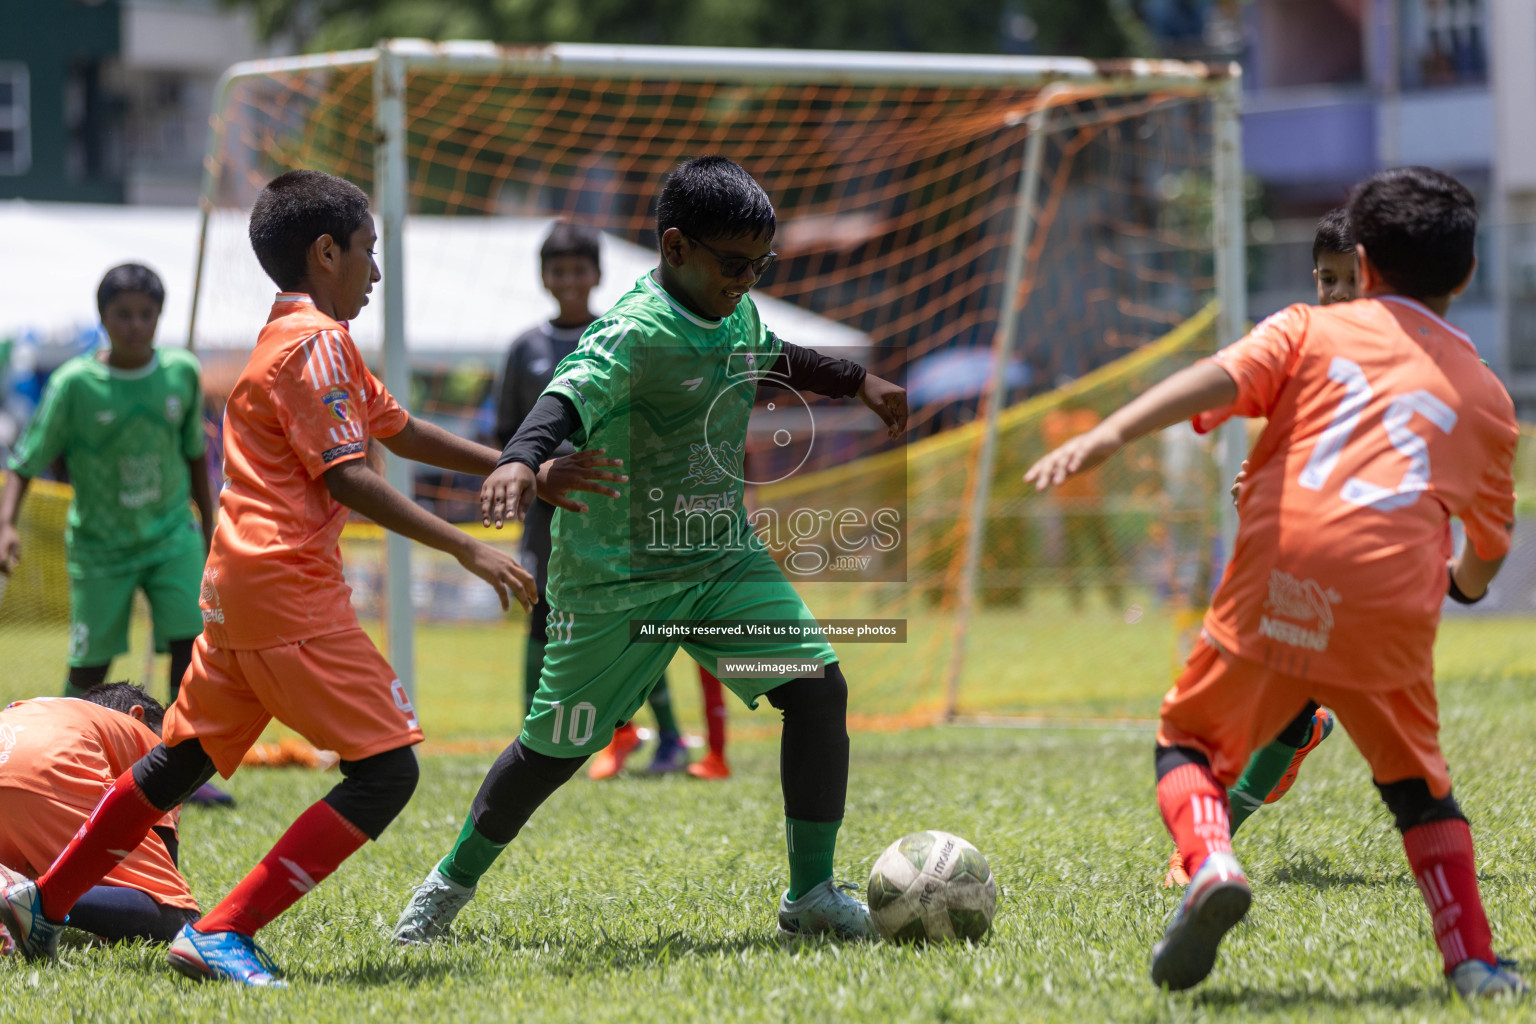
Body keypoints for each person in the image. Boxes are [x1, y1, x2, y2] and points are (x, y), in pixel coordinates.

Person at [0, 169, 617, 986]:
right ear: (326, 252)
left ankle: (42, 902)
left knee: (176, 763)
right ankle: (222, 931)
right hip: (290, 592)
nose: (376, 270)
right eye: (367, 251)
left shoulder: (290, 339)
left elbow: (399, 428)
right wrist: (465, 545)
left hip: (236, 588)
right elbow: (350, 477)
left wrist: (522, 467)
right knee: (389, 770)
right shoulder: (318, 343)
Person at [1026, 167, 1525, 999]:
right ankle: (1472, 961)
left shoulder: (1307, 330)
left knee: (1184, 742)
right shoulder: (1487, 397)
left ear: (1359, 267)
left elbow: (1217, 379)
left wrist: (1111, 432)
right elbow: (1488, 549)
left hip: (1278, 576)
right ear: (1467, 276)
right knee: (1421, 794)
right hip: (1390, 606)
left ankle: (1212, 857)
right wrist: (1462, 586)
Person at [392, 155, 907, 944]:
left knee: (816, 689)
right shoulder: (634, 329)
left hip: (718, 560)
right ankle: (443, 891)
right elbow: (565, 392)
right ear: (674, 248)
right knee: (550, 752)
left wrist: (856, 381)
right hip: (617, 582)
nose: (747, 280)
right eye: (734, 265)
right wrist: (520, 460)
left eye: (760, 265)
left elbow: (767, 355)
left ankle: (811, 896)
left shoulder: (730, 307)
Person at [1161, 206, 1356, 886]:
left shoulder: (1409, 356)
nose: (1336, 295)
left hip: (1376, 553)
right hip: (1301, 547)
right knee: (1276, 692)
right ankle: (1217, 842)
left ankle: (1215, 844)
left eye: (1351, 280)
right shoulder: (1302, 343)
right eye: (1327, 280)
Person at [0, 264, 232, 808]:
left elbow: (197, 458)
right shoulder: (74, 385)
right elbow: (27, 459)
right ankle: (55, 760)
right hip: (101, 548)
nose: (135, 325)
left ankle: (178, 769)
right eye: (123, 314)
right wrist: (6, 522)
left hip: (172, 535)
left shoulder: (180, 372)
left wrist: (211, 531)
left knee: (189, 648)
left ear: (159, 317)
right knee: (89, 668)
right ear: (103, 318)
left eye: (146, 314)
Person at [493, 221, 687, 776]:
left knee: (631, 620)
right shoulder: (524, 350)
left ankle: (670, 738)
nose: (569, 280)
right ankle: (535, 737)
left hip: (613, 508)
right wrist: (531, 474)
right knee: (543, 617)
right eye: (559, 270)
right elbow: (506, 433)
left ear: (597, 274)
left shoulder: (620, 335)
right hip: (547, 515)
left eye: (580, 269)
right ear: (544, 277)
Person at [0, 683, 200, 948]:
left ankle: (18, 892)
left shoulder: (39, 705)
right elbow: (164, 876)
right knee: (178, 914)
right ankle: (20, 892)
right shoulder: (146, 737)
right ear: (136, 715)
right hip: (48, 767)